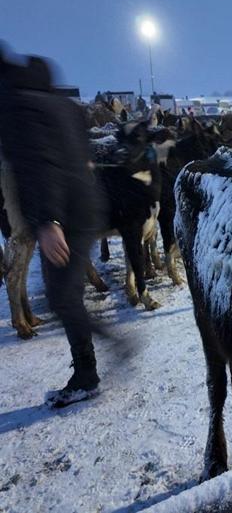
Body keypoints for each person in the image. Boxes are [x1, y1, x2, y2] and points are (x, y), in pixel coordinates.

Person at [0, 50, 108, 408]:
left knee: (62, 297)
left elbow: (38, 164)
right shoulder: (65, 106)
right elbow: (84, 155)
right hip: (86, 207)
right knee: (66, 294)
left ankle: (90, 371)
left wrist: (48, 221)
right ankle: (91, 366)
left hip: (62, 212)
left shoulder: (19, 107)